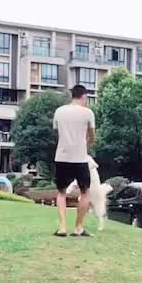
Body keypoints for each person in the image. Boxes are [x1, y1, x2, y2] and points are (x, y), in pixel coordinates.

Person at [53, 84, 95, 237]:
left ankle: (62, 227)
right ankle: (78, 227)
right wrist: (87, 143)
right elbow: (92, 136)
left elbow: (58, 133)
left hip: (62, 156)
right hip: (80, 158)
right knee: (85, 192)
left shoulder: (59, 111)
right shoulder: (88, 113)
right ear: (84, 97)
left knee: (61, 192)